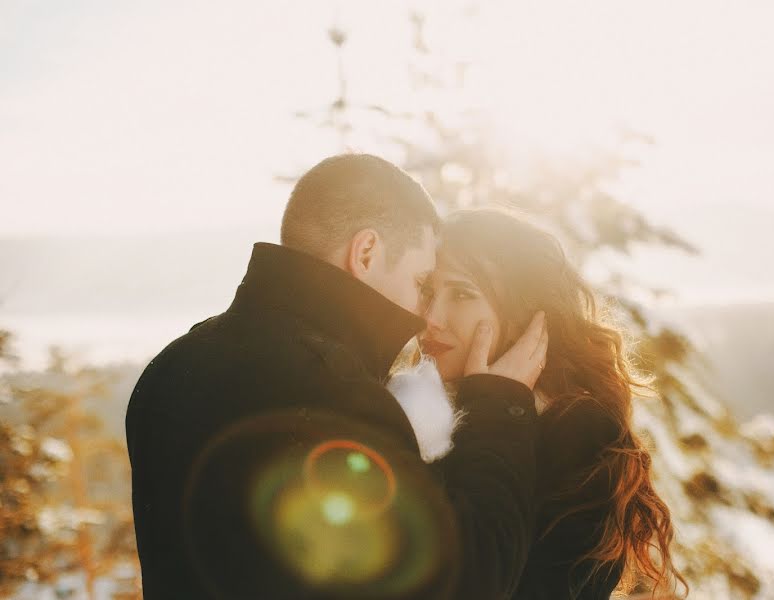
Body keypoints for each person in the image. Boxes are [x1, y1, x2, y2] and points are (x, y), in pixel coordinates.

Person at [125, 154, 547, 599]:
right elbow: (463, 582)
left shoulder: (171, 367)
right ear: (365, 253)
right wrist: (500, 406)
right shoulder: (337, 395)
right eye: (420, 282)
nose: (422, 314)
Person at [401, 208, 688, 599]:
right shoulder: (409, 407)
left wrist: (495, 409)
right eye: (428, 292)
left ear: (524, 313)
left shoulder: (577, 431)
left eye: (463, 294)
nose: (431, 317)